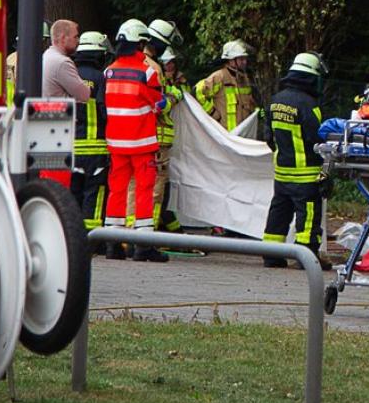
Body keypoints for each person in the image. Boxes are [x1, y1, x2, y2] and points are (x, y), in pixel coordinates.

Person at [103, 19, 168, 263]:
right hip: (141, 143)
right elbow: (158, 104)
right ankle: (143, 247)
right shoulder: (147, 71)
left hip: (116, 144)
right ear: (140, 43)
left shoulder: (109, 71)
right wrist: (168, 101)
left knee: (116, 191)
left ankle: (113, 245)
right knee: (144, 191)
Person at [263, 52, 331, 270]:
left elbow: (268, 138)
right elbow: (317, 140)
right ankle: (307, 257)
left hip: (282, 173)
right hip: (307, 174)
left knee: (279, 212)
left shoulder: (275, 101)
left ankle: (271, 255)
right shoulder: (309, 105)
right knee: (308, 216)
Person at [71, 31, 110, 247]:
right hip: (95, 148)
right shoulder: (100, 78)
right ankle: (92, 240)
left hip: (71, 147)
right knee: (94, 194)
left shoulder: (69, 74)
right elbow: (106, 111)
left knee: (74, 193)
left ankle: (73, 239)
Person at [153, 46, 188, 235]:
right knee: (157, 190)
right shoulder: (156, 78)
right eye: (167, 62)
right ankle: (153, 230)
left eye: (172, 62)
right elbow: (159, 105)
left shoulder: (178, 81)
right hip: (156, 141)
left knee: (163, 188)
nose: (170, 66)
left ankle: (168, 228)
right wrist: (174, 96)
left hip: (166, 142)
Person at [196, 40, 257, 132]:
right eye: (241, 59)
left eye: (245, 59)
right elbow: (197, 92)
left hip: (243, 136)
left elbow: (251, 105)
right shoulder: (219, 77)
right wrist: (213, 114)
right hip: (225, 136)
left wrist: (259, 113)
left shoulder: (244, 79)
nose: (244, 62)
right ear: (231, 60)